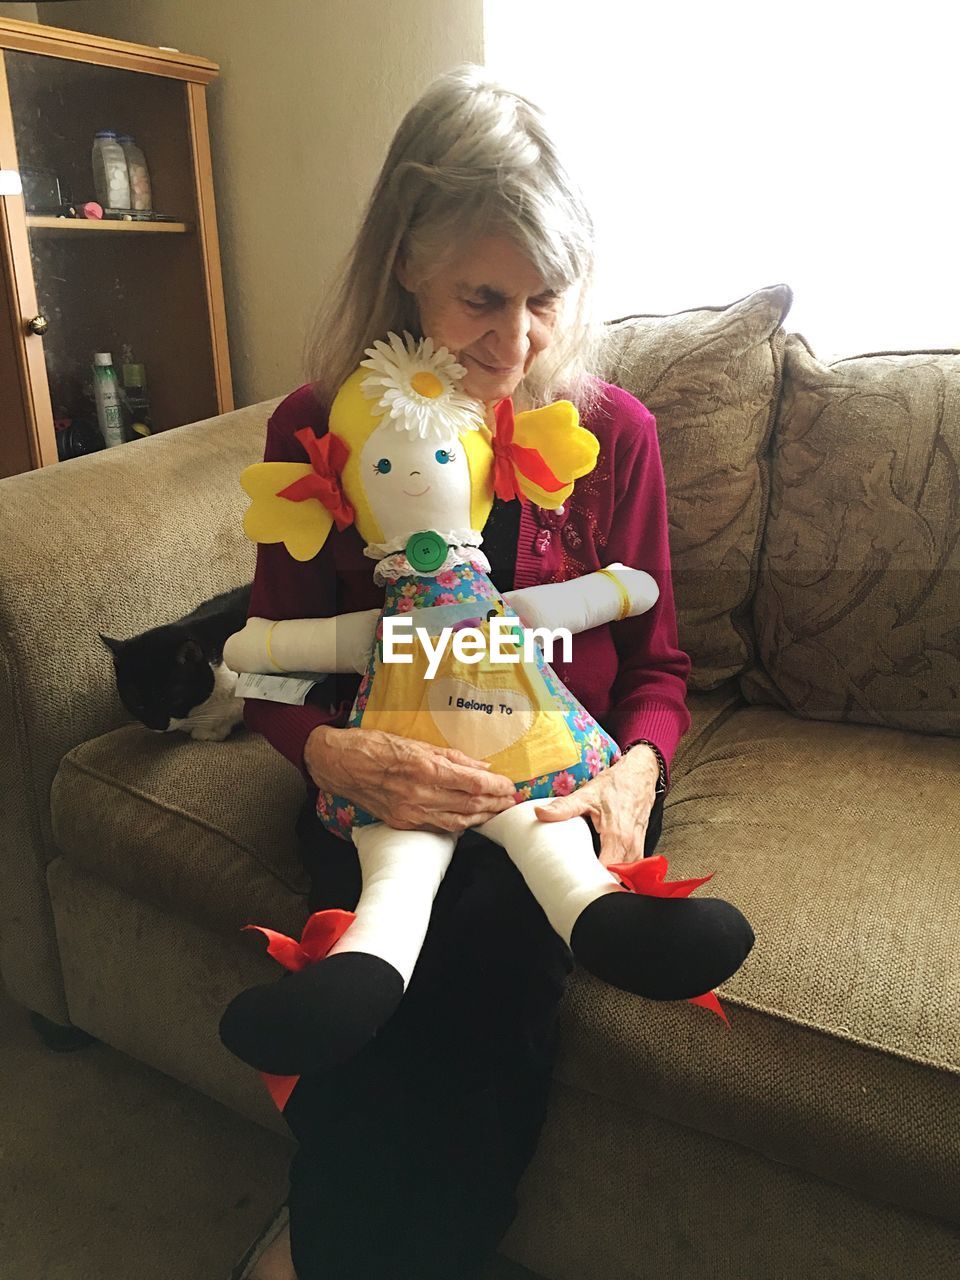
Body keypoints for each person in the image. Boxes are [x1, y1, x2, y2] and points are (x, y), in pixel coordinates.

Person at [236, 64, 708, 1280]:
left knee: (491, 951)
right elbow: (273, 674)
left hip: (560, 774)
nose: (519, 342)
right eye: (482, 297)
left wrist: (635, 780)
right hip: (377, 772)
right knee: (373, 973)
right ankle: (341, 1240)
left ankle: (381, 1251)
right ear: (404, 259)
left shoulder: (616, 436)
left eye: (547, 298)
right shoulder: (319, 428)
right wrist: (331, 752)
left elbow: (656, 663)